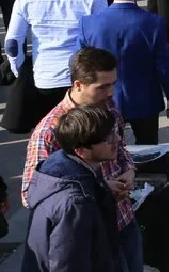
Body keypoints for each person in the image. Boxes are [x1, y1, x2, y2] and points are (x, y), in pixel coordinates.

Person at [23, 48, 141, 272]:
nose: (111, 93)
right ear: (78, 85)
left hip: (123, 221)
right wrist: (100, 189)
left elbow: (122, 149)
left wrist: (129, 170)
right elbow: (31, 194)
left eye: (113, 84)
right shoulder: (49, 132)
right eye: (103, 87)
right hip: (88, 239)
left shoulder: (108, 109)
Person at [4, 0, 108, 133]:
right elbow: (102, 41)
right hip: (78, 80)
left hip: (42, 78)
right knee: (81, 135)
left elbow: (12, 43)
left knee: (47, 135)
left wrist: (19, 69)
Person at [78, 0, 169, 145]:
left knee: (107, 152)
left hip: (104, 100)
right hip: (145, 100)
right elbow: (165, 69)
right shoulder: (153, 23)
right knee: (148, 151)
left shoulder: (88, 24)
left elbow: (81, 67)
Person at [22, 104, 126, 272]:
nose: (118, 140)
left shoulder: (67, 172)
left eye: (114, 132)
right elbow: (68, 264)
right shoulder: (75, 203)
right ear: (82, 151)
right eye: (108, 139)